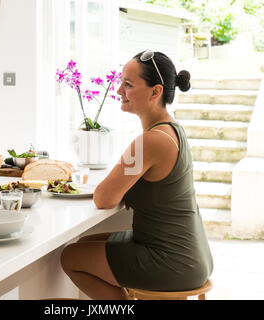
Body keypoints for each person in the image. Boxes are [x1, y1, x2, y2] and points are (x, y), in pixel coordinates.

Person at [60, 50, 214, 300]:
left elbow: (104, 198)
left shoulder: (150, 141)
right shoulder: (172, 130)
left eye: (128, 85)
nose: (119, 90)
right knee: (84, 243)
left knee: (71, 257)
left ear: (156, 92)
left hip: (174, 262)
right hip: (193, 255)